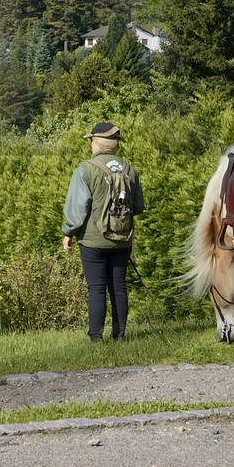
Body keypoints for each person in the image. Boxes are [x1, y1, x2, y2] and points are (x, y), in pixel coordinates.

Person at [61, 121, 144, 342]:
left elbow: (78, 209)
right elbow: (138, 206)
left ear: (96, 143)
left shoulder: (85, 169)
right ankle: (120, 335)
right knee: (118, 287)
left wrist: (68, 232)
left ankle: (96, 338)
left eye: (91, 141)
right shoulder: (130, 169)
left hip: (92, 241)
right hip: (123, 239)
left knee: (97, 288)